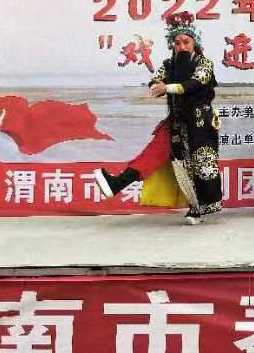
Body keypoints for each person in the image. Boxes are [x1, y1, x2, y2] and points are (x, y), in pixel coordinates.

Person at [94, 11, 222, 225]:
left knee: (201, 165)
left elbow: (194, 84)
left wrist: (167, 88)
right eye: (177, 43)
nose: (182, 46)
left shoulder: (204, 63)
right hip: (176, 123)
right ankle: (117, 184)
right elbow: (156, 80)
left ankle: (198, 208)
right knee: (154, 155)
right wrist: (156, 86)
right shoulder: (168, 64)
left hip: (200, 123)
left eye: (186, 42)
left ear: (194, 43)